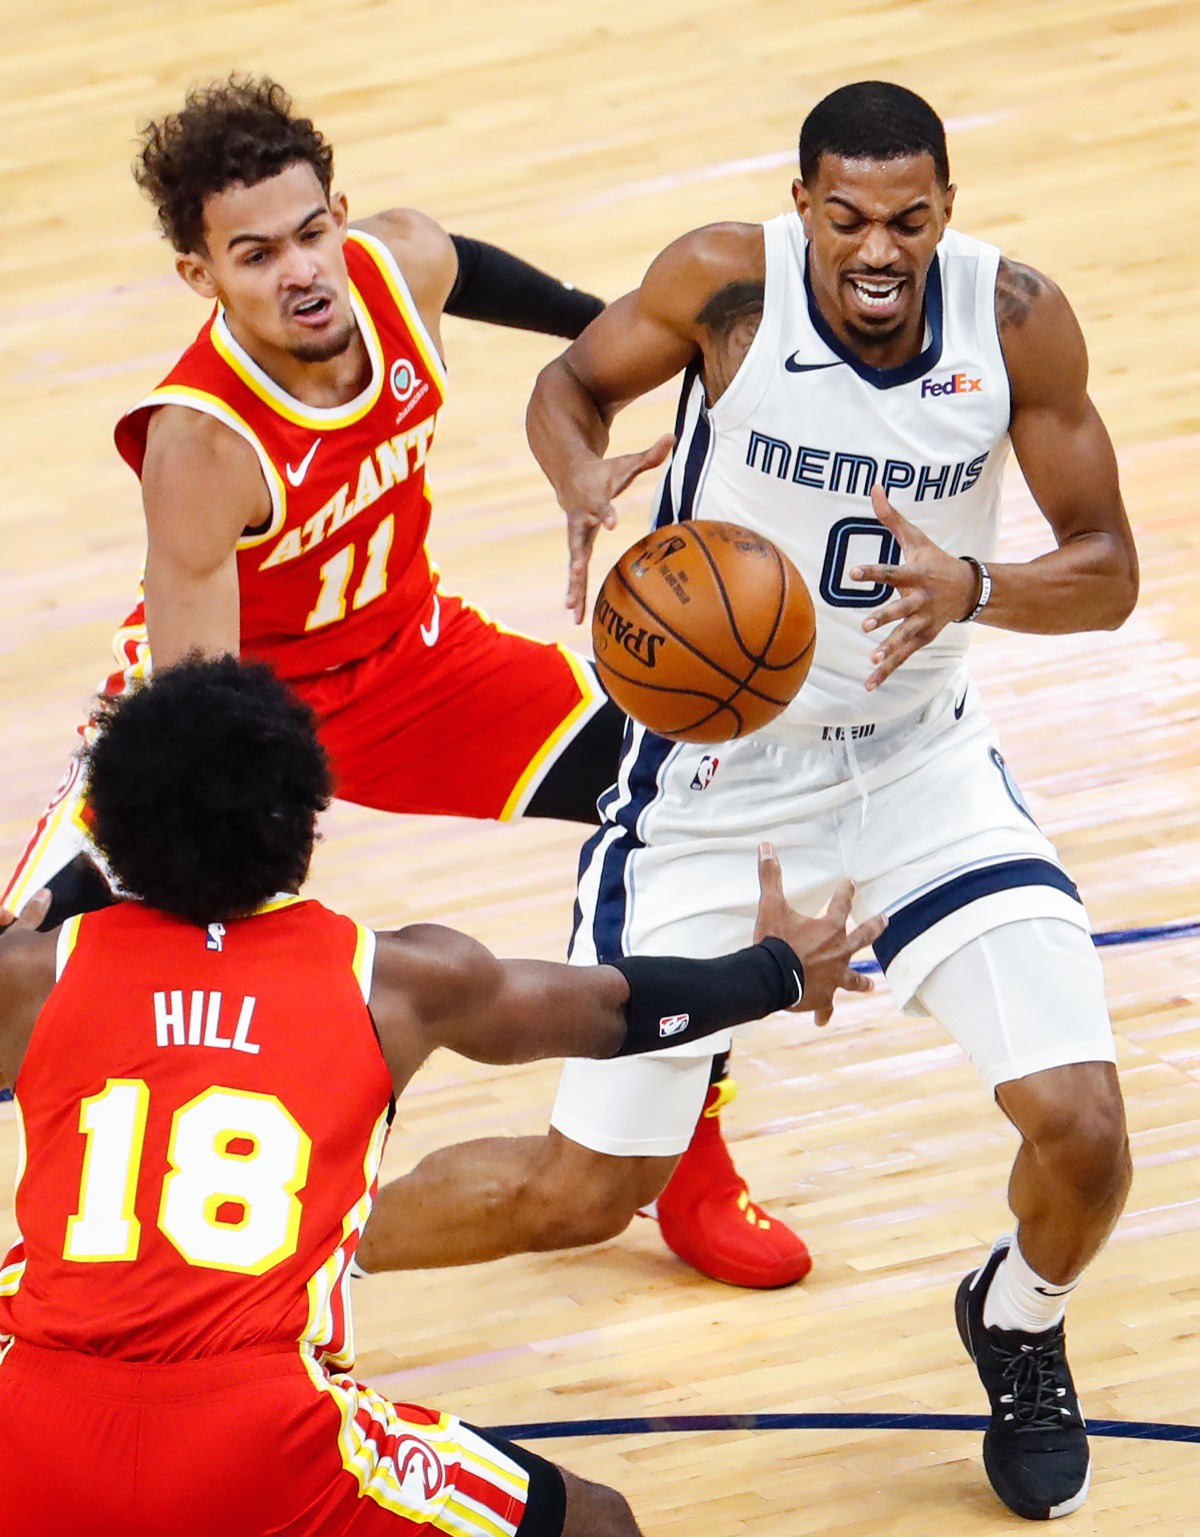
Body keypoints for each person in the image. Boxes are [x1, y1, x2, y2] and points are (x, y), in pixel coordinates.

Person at [365, 82, 1139, 1523]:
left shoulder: (1017, 320)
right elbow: (568, 384)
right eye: (846, 217)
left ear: (949, 211)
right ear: (802, 210)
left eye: (910, 218)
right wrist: (582, 475)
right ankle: (274, 1252)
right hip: (715, 784)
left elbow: (1108, 570)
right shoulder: (721, 281)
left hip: (919, 764)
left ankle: (1020, 1319)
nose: (879, 249)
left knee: (1085, 1126)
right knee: (583, 1191)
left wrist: (978, 586)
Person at [0, 75, 808, 1290]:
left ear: (343, 216)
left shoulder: (396, 269)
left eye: (313, 229)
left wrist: (627, 342)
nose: (303, 270)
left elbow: (467, 267)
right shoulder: (200, 444)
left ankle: (679, 1145)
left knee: (692, 788)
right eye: (255, 253)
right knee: (31, 974)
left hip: (419, 661)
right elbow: (202, 729)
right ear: (200, 274)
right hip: (234, 716)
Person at [0, 655, 883, 1537]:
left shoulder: (37, 975)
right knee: (597, 1522)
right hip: (259, 1433)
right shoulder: (394, 980)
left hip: (31, 1421)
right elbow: (617, 1007)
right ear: (302, 826)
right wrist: (778, 971)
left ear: (116, 829)